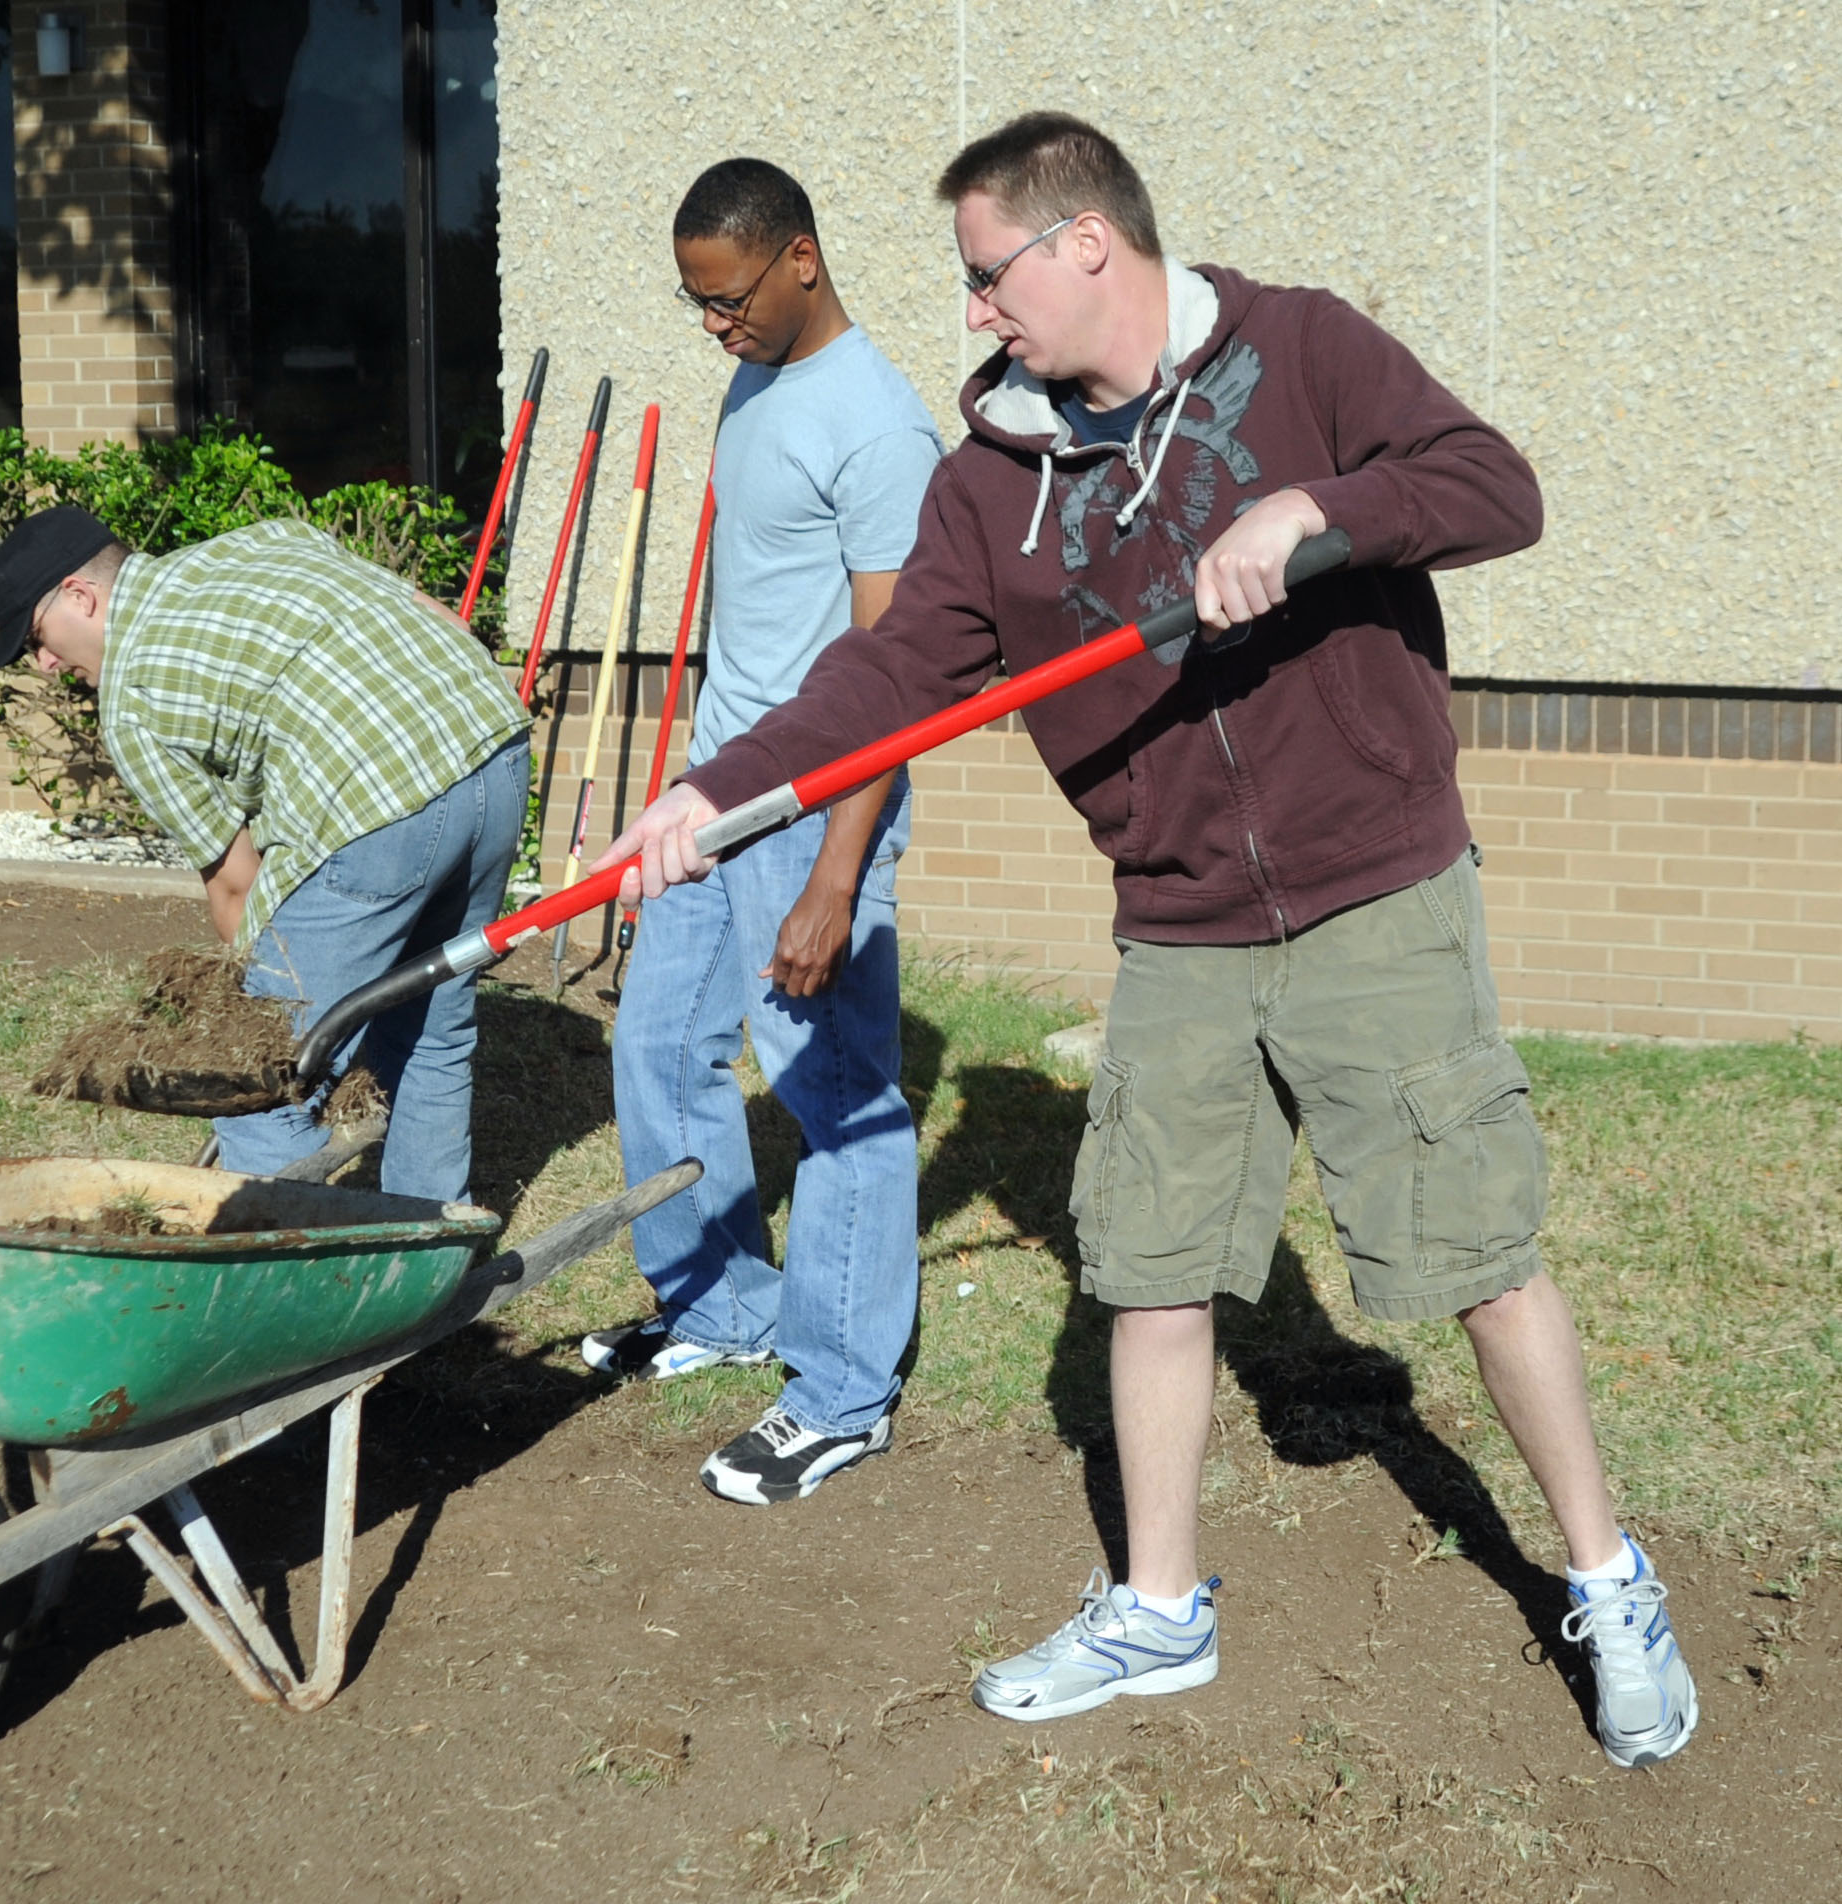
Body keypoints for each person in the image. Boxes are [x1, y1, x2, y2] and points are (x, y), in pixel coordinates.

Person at [604, 113, 1695, 1766]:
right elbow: (885, 680)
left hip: (1372, 884)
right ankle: (1160, 1607)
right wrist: (718, 791)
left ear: (1083, 243)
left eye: (989, 275)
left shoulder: (1303, 350)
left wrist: (1312, 514)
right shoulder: (994, 488)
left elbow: (1495, 487)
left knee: (1472, 1249)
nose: (975, 311)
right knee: (1153, 1265)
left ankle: (1608, 1578)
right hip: (1180, 918)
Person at [582, 160, 943, 1507]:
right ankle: (723, 1303)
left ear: (800, 257)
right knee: (663, 1046)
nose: (714, 326)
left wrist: (837, 877)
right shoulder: (759, 378)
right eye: (696, 305)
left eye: (728, 299)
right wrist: (688, 783)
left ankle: (843, 1389)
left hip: (807, 817)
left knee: (835, 1095)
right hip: (714, 793)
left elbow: (896, 672)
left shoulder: (880, 429)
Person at [0, 505, 531, 1205]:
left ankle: (289, 1286)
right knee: (429, 1026)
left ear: (80, 597)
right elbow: (431, 614)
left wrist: (256, 1007)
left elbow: (238, 890)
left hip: (381, 810)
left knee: (260, 1081)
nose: (46, 665)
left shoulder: (133, 698)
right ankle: (428, 1247)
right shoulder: (263, 540)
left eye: (36, 639)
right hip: (494, 744)